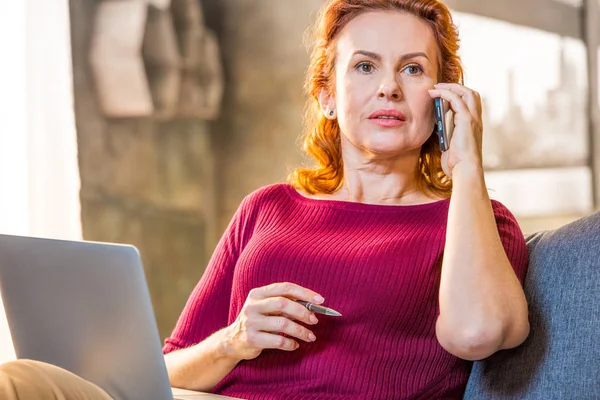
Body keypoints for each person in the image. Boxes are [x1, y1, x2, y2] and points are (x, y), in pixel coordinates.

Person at [0, 0, 531, 399]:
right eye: (364, 66)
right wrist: (233, 340)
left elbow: (477, 332)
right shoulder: (268, 209)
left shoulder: (476, 220)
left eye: (413, 69)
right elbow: (159, 374)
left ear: (444, 98)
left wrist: (467, 171)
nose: (389, 87)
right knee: (21, 380)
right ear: (326, 95)